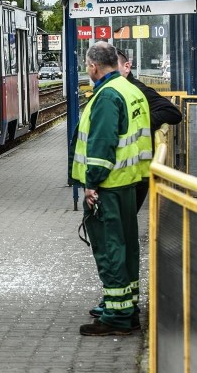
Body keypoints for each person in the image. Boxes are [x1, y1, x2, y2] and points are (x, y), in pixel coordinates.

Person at [71, 41, 152, 336]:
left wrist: (91, 183)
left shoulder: (106, 96)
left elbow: (101, 146)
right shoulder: (130, 89)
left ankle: (117, 319)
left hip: (109, 185)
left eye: (87, 66)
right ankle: (125, 307)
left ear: (93, 66)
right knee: (127, 247)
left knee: (110, 250)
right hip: (130, 182)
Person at [116, 47, 182, 210]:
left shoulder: (138, 90)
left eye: (114, 68)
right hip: (123, 171)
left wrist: (141, 121)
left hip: (136, 172)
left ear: (127, 67)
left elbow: (174, 113)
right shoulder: (112, 92)